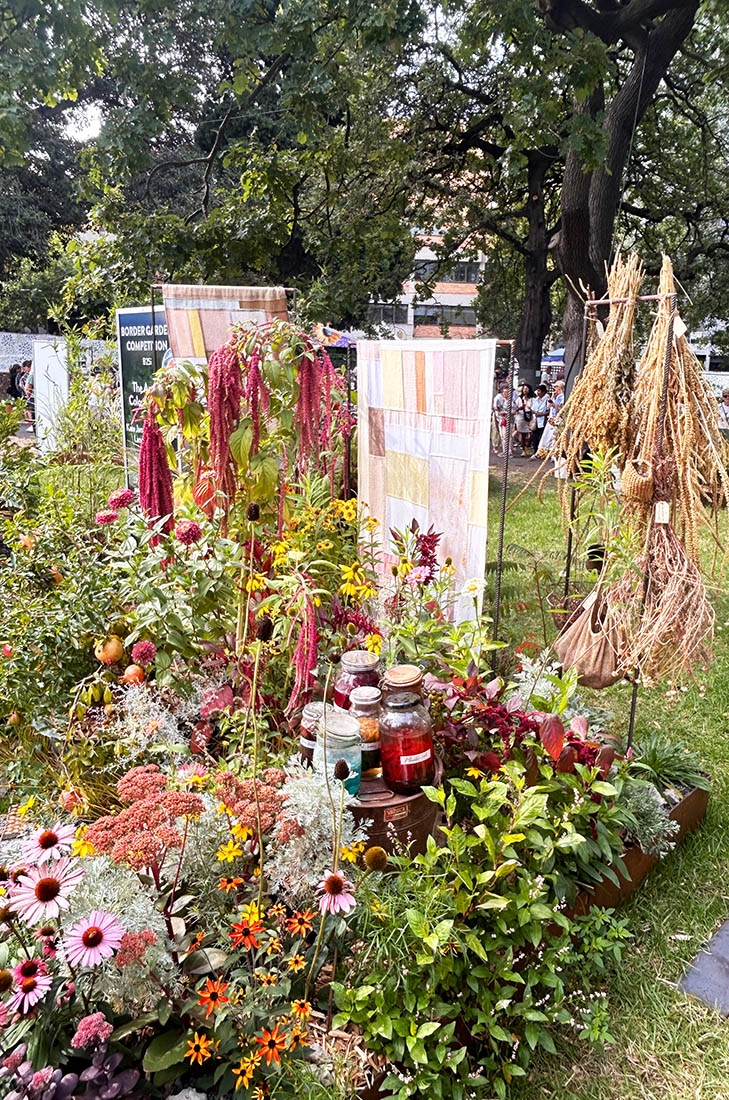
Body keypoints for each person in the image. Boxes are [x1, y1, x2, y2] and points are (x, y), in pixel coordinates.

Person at [513, 382, 534, 456]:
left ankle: (527, 446)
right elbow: (515, 408)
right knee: (523, 434)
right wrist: (520, 408)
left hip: (529, 417)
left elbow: (533, 407)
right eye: (524, 389)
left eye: (526, 389)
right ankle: (524, 449)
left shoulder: (532, 399)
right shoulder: (519, 399)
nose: (525, 390)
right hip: (521, 417)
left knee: (531, 433)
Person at [492, 383, 511, 456]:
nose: (505, 394)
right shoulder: (499, 398)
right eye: (504, 392)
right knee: (502, 436)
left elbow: (513, 410)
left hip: (507, 419)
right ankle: (505, 450)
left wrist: (505, 412)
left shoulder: (510, 401)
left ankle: (508, 451)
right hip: (500, 418)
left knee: (506, 436)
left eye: (507, 392)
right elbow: (495, 407)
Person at [530, 384, 549, 457]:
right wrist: (535, 413)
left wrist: (542, 414)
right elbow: (532, 409)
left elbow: (548, 410)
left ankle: (541, 452)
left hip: (543, 420)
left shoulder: (547, 400)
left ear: (544, 392)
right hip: (536, 420)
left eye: (539, 391)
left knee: (542, 436)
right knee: (535, 437)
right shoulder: (535, 399)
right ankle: (535, 451)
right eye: (537, 391)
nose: (538, 393)